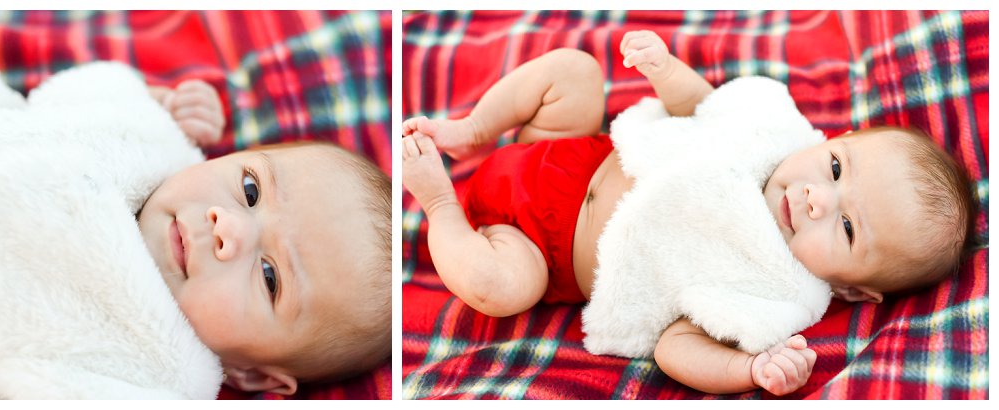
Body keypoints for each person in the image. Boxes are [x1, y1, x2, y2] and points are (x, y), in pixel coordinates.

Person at [398, 31, 977, 395]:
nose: (816, 199)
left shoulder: (773, 293)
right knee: (574, 70)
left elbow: (676, 347)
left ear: (853, 291)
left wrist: (748, 372)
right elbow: (706, 106)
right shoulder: (775, 132)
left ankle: (439, 202)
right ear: (834, 138)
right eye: (835, 167)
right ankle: (470, 129)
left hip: (533, 246)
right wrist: (665, 70)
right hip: (564, 148)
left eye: (847, 228)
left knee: (499, 287)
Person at [0, 71, 392, 395]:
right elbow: (78, 99)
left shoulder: (143, 377)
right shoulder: (147, 147)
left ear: (255, 375)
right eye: (251, 189)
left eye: (269, 277)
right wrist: (159, 102)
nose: (228, 229)